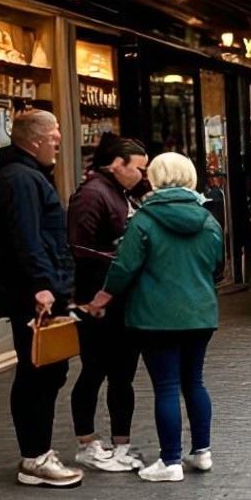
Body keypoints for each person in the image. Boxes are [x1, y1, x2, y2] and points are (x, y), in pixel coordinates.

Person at [88, 153, 224, 482]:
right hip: (200, 314)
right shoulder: (208, 220)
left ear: (157, 178)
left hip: (155, 317)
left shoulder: (145, 220)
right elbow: (217, 267)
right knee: (195, 382)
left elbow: (124, 266)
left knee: (165, 387)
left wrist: (103, 297)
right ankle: (201, 452)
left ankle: (170, 461)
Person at [0, 109, 83, 488]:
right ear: (36, 139)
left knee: (44, 369)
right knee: (38, 371)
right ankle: (35, 457)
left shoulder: (20, 173)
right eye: (55, 134)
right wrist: (43, 286)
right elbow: (27, 237)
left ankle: (37, 453)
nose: (59, 140)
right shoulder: (19, 178)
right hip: (34, 293)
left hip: (36, 288)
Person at [67, 134, 148, 473]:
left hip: (121, 300)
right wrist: (120, 260)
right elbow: (79, 248)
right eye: (138, 169)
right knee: (95, 369)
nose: (142, 175)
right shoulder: (91, 195)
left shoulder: (122, 192)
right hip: (96, 300)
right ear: (118, 165)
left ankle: (121, 444)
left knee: (122, 374)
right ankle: (86, 442)